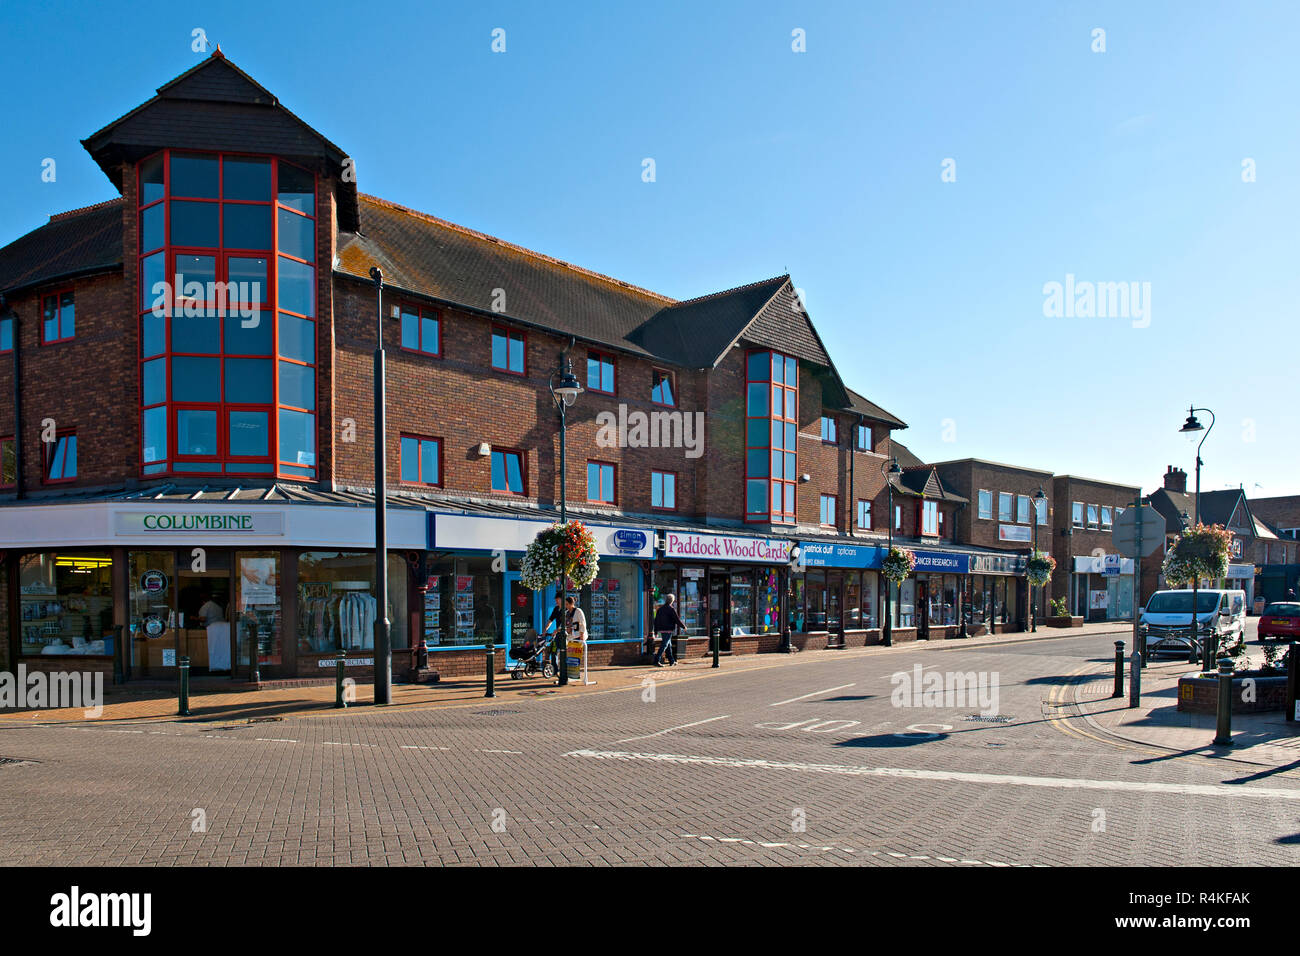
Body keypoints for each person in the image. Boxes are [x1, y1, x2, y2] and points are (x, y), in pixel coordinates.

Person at [652, 593, 684, 667]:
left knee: (668, 645)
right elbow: (677, 619)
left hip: (662, 629)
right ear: (672, 601)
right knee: (665, 645)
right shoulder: (671, 609)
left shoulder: (660, 609)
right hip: (668, 629)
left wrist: (656, 631)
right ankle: (656, 660)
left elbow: (656, 621)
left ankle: (671, 661)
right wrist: (683, 626)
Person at [542, 595, 565, 671]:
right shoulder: (556, 609)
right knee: (553, 651)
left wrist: (557, 630)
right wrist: (545, 630)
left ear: (561, 599)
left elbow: (566, 623)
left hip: (565, 634)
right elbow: (550, 620)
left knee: (562, 651)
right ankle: (555, 669)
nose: (556, 602)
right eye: (556, 600)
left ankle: (563, 669)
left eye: (557, 600)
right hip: (557, 634)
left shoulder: (566, 609)